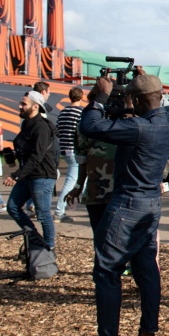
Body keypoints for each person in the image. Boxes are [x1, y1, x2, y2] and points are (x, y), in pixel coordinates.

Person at [80, 74, 169, 336]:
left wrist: (100, 97)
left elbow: (89, 126)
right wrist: (142, 82)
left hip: (126, 205)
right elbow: (159, 101)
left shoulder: (139, 128)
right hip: (150, 205)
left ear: (136, 101)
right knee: (147, 270)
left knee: (107, 271)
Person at [3, 91, 59, 250]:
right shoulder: (26, 124)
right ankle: (35, 239)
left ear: (35, 107)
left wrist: (16, 175)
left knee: (43, 214)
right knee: (12, 207)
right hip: (28, 174)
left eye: (23, 104)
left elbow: (37, 156)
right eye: (21, 103)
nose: (20, 106)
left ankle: (49, 249)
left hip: (42, 175)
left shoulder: (42, 126)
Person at [65, 86, 116, 232]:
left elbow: (82, 159)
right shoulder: (127, 123)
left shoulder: (85, 125)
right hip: (121, 193)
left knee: (101, 238)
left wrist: (78, 186)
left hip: (96, 192)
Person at [54, 87, 84, 223]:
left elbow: (58, 130)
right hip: (75, 149)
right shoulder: (80, 113)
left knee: (78, 178)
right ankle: (59, 211)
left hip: (64, 148)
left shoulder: (62, 113)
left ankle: (71, 204)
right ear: (81, 97)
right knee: (72, 180)